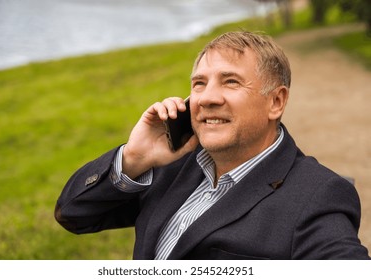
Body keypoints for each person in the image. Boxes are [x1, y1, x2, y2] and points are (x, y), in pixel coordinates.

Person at [55, 31, 370, 260]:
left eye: (231, 81)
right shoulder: (172, 165)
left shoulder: (317, 195)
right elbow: (73, 215)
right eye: (199, 83)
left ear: (276, 101)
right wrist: (135, 158)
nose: (207, 98)